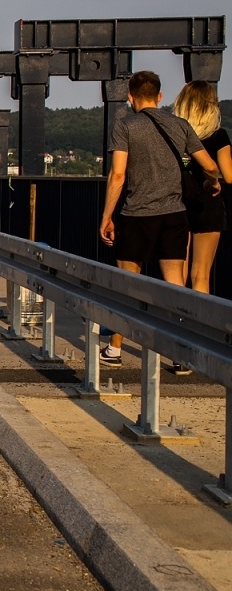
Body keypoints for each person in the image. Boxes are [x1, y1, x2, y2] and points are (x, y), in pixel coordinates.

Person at [98, 70, 223, 370]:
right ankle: (181, 355)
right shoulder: (179, 125)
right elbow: (209, 165)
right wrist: (212, 183)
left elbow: (117, 175)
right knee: (176, 286)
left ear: (130, 97)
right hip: (174, 216)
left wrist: (106, 217)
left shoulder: (125, 126)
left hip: (136, 216)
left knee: (128, 283)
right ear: (160, 96)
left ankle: (115, 349)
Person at [172, 80, 232, 296]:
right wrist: (211, 178)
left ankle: (175, 322)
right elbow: (228, 175)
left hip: (178, 201)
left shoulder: (177, 135)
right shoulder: (219, 136)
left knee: (177, 274)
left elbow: (182, 164)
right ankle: (197, 327)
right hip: (209, 202)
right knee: (201, 276)